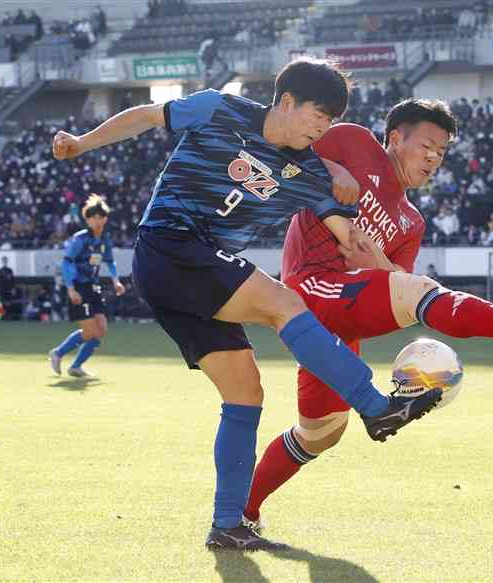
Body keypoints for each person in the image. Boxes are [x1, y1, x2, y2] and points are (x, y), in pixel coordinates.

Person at [50, 58, 441, 552]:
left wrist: (409, 288)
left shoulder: (306, 171)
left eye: (329, 120)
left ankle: (228, 524)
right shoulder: (220, 109)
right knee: (284, 303)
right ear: (285, 102)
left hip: (197, 274)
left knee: (246, 392)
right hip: (169, 246)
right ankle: (376, 407)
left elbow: (351, 237)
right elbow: (148, 115)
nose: (321, 128)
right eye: (315, 116)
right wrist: (81, 143)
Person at [242, 100, 493, 531]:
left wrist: (379, 259)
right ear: (396, 137)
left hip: (343, 314)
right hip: (310, 288)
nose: (434, 158)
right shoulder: (355, 141)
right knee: (417, 291)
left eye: (442, 152)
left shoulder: (411, 222)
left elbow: (395, 283)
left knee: (321, 432)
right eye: (427, 145)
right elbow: (288, 149)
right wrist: (334, 170)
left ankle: (242, 512)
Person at [48, 194, 125, 377]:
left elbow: (110, 262)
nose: (97, 221)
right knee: (90, 331)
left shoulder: (105, 240)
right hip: (79, 288)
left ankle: (75, 366)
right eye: (93, 217)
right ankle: (58, 353)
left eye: (100, 217)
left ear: (105, 218)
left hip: (94, 287)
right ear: (87, 219)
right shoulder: (80, 239)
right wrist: (71, 288)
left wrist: (116, 280)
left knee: (101, 330)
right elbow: (66, 262)